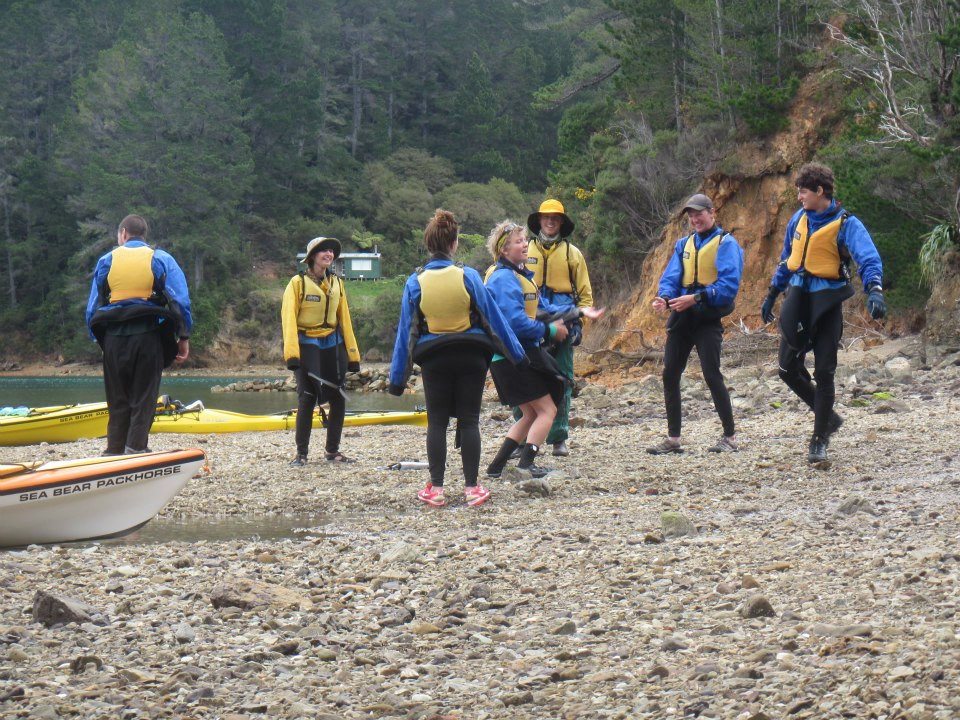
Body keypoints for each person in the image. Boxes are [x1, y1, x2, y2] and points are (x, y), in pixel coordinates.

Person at [388, 209, 526, 508]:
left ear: (429, 245)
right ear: (454, 244)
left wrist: (397, 380)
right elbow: (494, 321)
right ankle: (472, 488)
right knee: (469, 420)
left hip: (435, 359)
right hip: (470, 358)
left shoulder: (415, 282)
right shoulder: (469, 276)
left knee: (437, 422)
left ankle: (436, 489)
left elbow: (406, 334)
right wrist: (517, 355)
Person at [760, 162, 885, 463]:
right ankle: (828, 416)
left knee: (825, 371)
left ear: (819, 191)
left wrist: (875, 290)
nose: (800, 197)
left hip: (827, 301)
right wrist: (772, 293)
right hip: (798, 299)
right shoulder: (798, 220)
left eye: (803, 192)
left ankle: (819, 440)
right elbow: (786, 258)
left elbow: (867, 258)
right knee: (787, 368)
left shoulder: (846, 223)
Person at [484, 220, 605, 478]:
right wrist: (550, 331)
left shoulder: (518, 276)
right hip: (512, 357)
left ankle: (496, 467)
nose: (525, 245)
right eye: (518, 242)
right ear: (504, 250)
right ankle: (526, 464)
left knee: (529, 413)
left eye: (524, 240)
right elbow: (515, 323)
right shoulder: (504, 279)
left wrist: (579, 311)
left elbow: (542, 310)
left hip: (513, 356)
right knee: (547, 410)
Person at [86, 214, 192, 455]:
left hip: (113, 339)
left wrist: (99, 341)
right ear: (144, 235)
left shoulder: (106, 261)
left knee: (117, 399)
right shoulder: (161, 258)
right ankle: (135, 449)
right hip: (149, 337)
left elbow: (93, 308)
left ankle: (113, 451)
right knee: (143, 399)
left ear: (123, 234)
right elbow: (180, 302)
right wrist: (183, 337)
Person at [647, 194, 744, 455]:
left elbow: (727, 287)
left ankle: (730, 437)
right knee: (670, 373)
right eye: (691, 215)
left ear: (712, 213)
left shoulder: (726, 244)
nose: (694, 219)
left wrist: (696, 298)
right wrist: (665, 299)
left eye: (699, 213)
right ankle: (673, 439)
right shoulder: (684, 244)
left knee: (712, 374)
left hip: (707, 318)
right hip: (683, 317)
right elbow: (671, 277)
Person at [525, 199, 596, 457]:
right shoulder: (525, 249)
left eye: (556, 217)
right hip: (532, 324)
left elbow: (585, 296)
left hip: (565, 322)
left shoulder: (572, 254)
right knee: (526, 376)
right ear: (539, 220)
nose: (551, 221)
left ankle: (559, 437)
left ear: (562, 222)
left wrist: (579, 325)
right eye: (546, 217)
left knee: (563, 378)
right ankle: (523, 437)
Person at [281, 237, 361, 466]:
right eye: (323, 251)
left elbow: (344, 318)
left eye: (331, 251)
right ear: (312, 256)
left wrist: (353, 355)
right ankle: (302, 454)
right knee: (307, 397)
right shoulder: (297, 283)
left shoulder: (337, 283)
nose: (328, 254)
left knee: (338, 397)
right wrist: (292, 355)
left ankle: (332, 451)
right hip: (307, 343)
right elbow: (288, 319)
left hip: (333, 344)